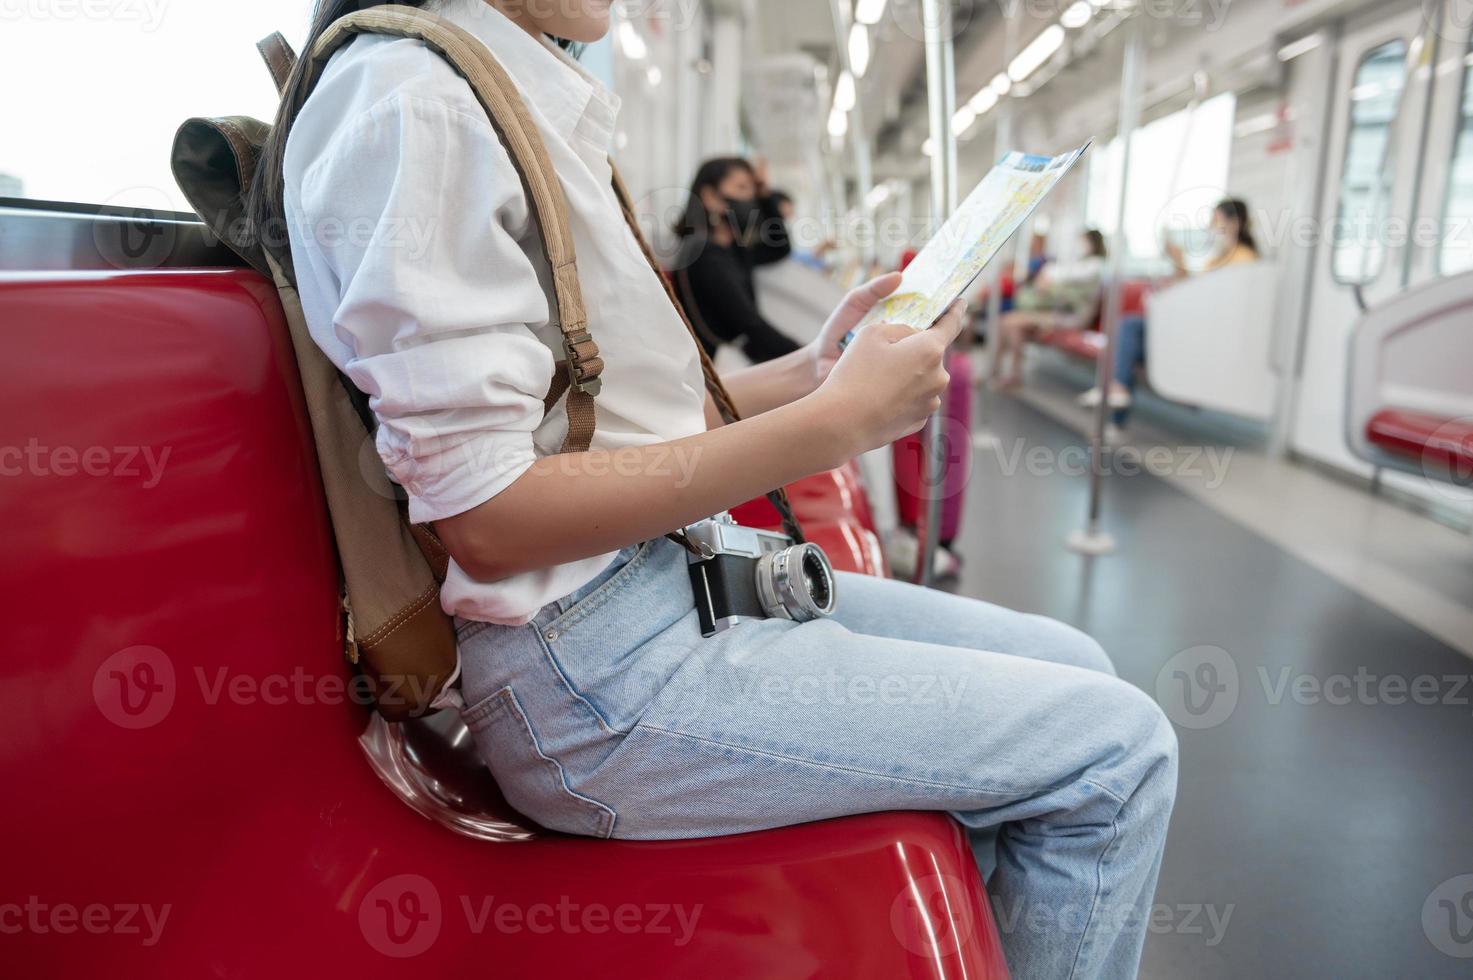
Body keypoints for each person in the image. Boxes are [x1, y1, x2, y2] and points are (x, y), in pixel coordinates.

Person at [260, 2, 1177, 977]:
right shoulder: (416, 101)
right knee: (1116, 752)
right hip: (590, 681)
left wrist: (816, 377)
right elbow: (490, 519)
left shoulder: (502, 87)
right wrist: (834, 428)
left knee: (1074, 656)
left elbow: (595, 430)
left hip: (658, 590)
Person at [1078, 198, 1261, 411]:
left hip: (1207, 335)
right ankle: (1117, 399)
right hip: (1195, 326)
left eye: (1215, 219)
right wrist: (1178, 263)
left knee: (1130, 329)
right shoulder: (1215, 260)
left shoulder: (1245, 260)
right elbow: (1195, 293)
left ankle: (1117, 402)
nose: (1210, 226)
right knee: (1128, 342)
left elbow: (1215, 302)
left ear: (1233, 223)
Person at [671, 157, 803, 362]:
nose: (751, 198)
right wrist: (809, 354)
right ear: (711, 197)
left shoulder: (732, 249)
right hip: (713, 372)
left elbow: (779, 248)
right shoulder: (704, 255)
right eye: (742, 188)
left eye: (753, 191)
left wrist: (765, 194)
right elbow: (752, 326)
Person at [991, 229, 1108, 389]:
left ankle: (1010, 375)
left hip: (1073, 317)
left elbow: (1070, 294)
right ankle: (1001, 373)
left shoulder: (1094, 267)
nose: (1079, 245)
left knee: (1010, 322)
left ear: (1093, 243)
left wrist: (1049, 286)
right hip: (1057, 312)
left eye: (1083, 241)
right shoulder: (1081, 265)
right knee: (1006, 322)